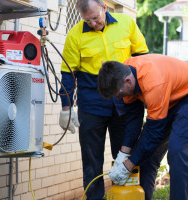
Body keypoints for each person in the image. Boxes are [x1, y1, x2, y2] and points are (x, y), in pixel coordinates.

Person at [58, 0, 148, 199]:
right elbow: (67, 74)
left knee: (125, 155)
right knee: (91, 161)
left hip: (125, 102)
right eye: (87, 20)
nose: (92, 23)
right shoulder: (75, 35)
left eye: (95, 18)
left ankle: (126, 196)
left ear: (104, 8)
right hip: (92, 103)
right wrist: (66, 107)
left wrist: (143, 95)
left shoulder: (127, 24)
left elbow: (143, 58)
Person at [97, 54, 188, 200]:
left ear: (127, 81)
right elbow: (133, 120)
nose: (119, 98)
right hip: (170, 99)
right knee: (147, 157)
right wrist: (123, 154)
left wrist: (128, 165)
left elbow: (154, 132)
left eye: (119, 94)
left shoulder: (153, 82)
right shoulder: (125, 75)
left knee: (177, 153)